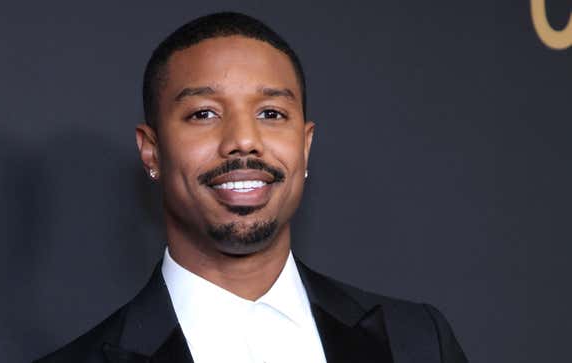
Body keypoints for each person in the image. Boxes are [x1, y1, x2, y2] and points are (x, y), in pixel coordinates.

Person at [35, 12, 468, 363]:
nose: (243, 139)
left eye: (272, 114)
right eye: (204, 114)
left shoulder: (417, 342)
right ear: (152, 153)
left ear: (305, 145)